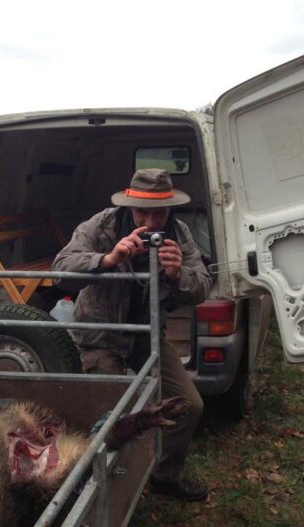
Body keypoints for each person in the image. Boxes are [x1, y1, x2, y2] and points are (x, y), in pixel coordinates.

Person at [52, 168, 212, 501]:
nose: (152, 222)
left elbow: (201, 288)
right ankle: (94, 494)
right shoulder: (102, 225)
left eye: (160, 212)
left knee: (190, 405)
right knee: (111, 416)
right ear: (129, 206)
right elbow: (60, 270)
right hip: (100, 334)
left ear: (170, 208)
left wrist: (176, 275)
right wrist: (107, 259)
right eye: (143, 211)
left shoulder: (179, 233)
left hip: (148, 337)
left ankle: (163, 476)